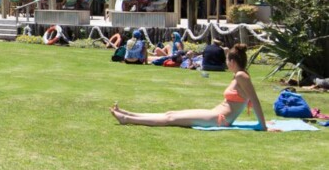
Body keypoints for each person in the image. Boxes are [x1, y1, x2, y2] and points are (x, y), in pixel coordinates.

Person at [110, 44, 268, 129]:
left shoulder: (242, 76)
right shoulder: (239, 76)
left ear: (232, 62)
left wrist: (263, 125)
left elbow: (254, 100)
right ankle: (128, 114)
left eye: (227, 60)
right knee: (170, 113)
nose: (227, 64)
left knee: (171, 118)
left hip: (219, 119)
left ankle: (127, 119)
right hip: (215, 114)